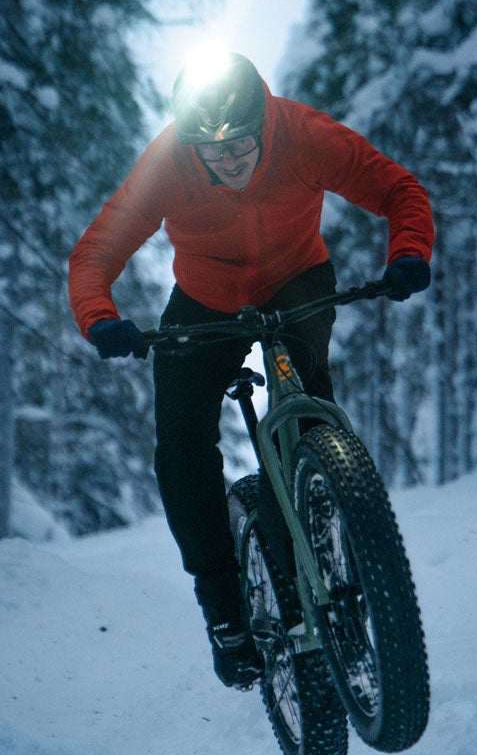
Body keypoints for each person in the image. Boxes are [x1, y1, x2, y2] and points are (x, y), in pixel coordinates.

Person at [67, 52, 435, 689]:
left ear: (262, 124)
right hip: (205, 301)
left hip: (297, 283)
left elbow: (399, 189)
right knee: (182, 442)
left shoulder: (302, 134)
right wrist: (101, 318)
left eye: (241, 145)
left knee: (310, 410)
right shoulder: (168, 163)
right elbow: (97, 250)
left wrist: (408, 253)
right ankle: (224, 609)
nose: (230, 162)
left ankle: (323, 509)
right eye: (213, 153)